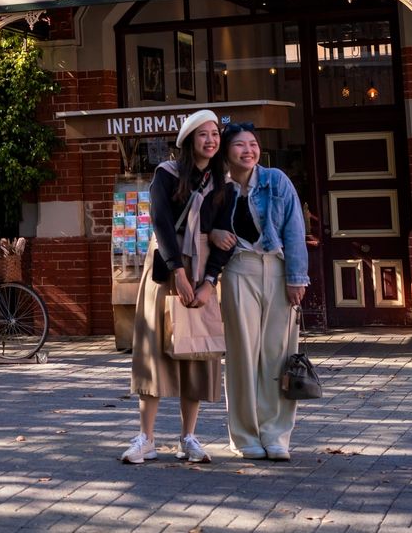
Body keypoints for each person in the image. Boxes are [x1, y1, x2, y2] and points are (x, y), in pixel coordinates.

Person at [122, 109, 235, 465]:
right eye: (203, 134)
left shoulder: (223, 183)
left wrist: (209, 283)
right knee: (153, 352)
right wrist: (179, 274)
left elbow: (225, 237)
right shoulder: (166, 175)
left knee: (197, 353)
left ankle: (189, 436)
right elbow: (161, 223)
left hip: (202, 272)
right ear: (188, 140)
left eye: (215, 133)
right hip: (165, 270)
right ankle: (147, 438)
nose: (211, 140)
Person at [213, 122, 310, 462]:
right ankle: (244, 435)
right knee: (242, 356)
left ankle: (276, 433)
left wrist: (297, 277)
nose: (248, 150)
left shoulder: (276, 181)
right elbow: (196, 225)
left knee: (278, 355)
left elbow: (295, 230)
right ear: (227, 151)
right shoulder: (215, 186)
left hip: (278, 269)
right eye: (240, 145)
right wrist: (213, 234)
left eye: (253, 144)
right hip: (239, 269)